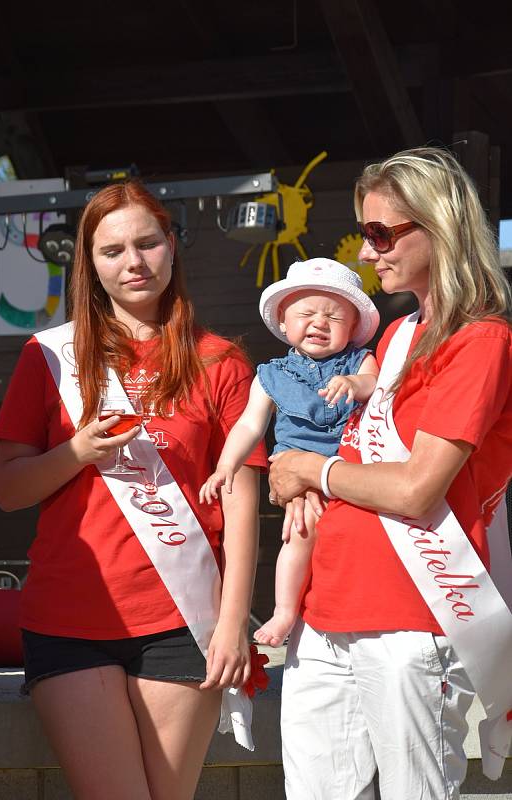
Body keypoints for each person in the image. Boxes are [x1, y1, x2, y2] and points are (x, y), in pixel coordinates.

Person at [0, 180, 266, 800]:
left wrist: (231, 623)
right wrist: (77, 452)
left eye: (147, 244)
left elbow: (243, 500)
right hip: (69, 618)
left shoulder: (221, 363)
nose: (133, 263)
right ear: (89, 264)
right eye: (112, 251)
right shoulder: (50, 359)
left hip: (182, 617)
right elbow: (7, 489)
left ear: (172, 247)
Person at [268, 147, 512, 800]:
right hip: (327, 611)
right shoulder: (395, 336)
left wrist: (305, 468)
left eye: (380, 233)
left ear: (437, 226)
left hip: (414, 616)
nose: (368, 251)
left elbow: (412, 488)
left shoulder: (480, 339)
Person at [199, 258, 379, 646]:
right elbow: (249, 424)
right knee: (300, 532)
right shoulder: (271, 374)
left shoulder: (358, 360)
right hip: (298, 475)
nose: (320, 323)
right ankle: (283, 611)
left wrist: (354, 383)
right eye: (307, 313)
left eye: (334, 316)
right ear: (283, 322)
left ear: (353, 328)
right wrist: (224, 466)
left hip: (349, 466)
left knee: (354, 537)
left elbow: (374, 385)